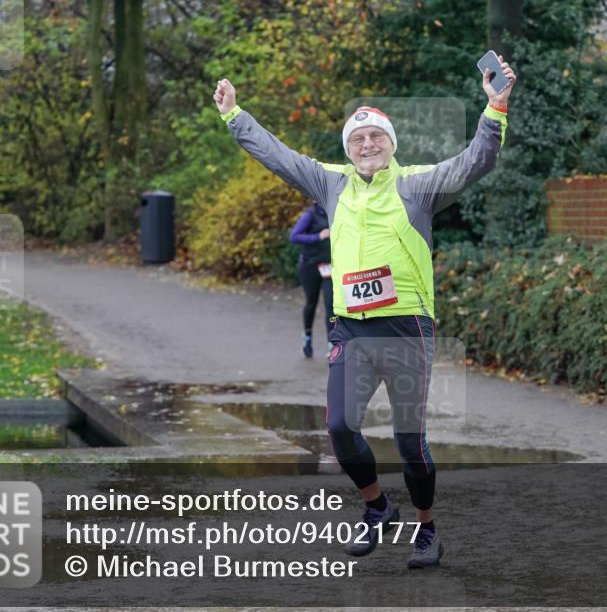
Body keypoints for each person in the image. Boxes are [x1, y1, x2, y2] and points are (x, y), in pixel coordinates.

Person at [214, 55, 516, 569]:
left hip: (406, 329)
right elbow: (278, 156)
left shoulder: (417, 185)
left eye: (376, 137)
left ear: (391, 145)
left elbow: (474, 162)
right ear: (347, 150)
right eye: (357, 139)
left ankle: (426, 528)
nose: (367, 144)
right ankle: (377, 506)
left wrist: (496, 107)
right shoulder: (331, 183)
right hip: (351, 329)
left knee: (408, 440)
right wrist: (234, 115)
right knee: (340, 426)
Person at [289, 202, 334, 358]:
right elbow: (294, 236)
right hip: (310, 265)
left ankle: (332, 345)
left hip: (329, 266)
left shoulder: (336, 210)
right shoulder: (310, 214)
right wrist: (318, 236)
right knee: (311, 303)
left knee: (331, 306)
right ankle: (307, 337)